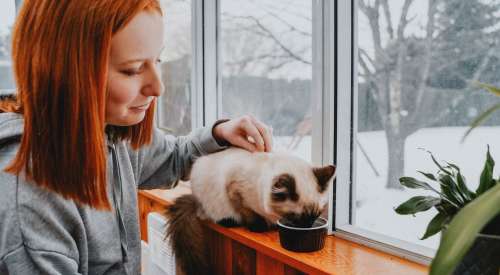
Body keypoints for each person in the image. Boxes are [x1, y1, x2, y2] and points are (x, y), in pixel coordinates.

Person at [0, 1, 272, 274]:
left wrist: (219, 134)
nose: (159, 87)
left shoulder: (111, 132)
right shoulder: (29, 201)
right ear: (66, 71)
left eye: (157, 61)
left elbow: (173, 158)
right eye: (132, 69)